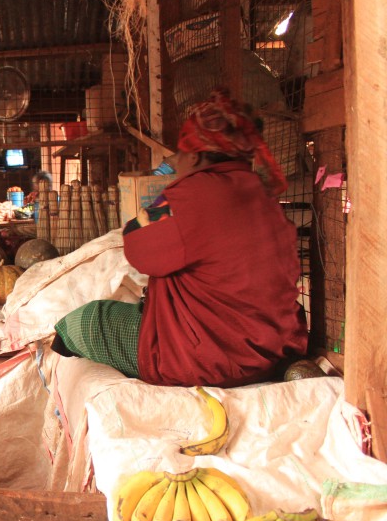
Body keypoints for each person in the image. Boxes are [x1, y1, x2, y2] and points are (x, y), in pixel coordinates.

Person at [51, 89, 308, 388]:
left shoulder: (193, 193)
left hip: (208, 360)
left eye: (181, 155)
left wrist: (166, 197)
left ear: (196, 156)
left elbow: (138, 248)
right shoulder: (264, 196)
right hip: (268, 355)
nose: (176, 164)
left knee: (83, 322)